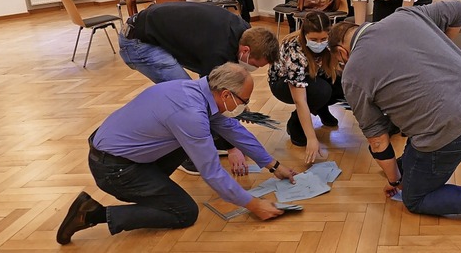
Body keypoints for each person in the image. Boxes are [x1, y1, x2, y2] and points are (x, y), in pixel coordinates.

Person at [327, 1, 461, 223]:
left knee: (415, 198)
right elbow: (459, 9)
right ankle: (414, 169)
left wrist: (394, 181)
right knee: (410, 159)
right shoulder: (405, 15)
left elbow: (378, 141)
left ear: (341, 52)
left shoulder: (353, 72)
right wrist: (444, 46)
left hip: (453, 128)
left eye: (339, 61)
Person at [56, 63, 297, 245]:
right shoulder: (190, 114)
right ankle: (92, 214)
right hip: (114, 169)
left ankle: (153, 189)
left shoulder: (194, 92)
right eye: (245, 100)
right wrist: (254, 205)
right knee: (184, 212)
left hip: (119, 154)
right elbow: (212, 172)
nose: (246, 105)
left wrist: (274, 165)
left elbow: (233, 129)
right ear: (225, 95)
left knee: (199, 138)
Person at [119, 2, 280, 175]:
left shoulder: (245, 32)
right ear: (246, 51)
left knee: (204, 101)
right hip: (137, 42)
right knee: (189, 100)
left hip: (155, 31)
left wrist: (236, 107)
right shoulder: (218, 51)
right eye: (255, 64)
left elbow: (226, 90)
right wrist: (233, 148)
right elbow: (210, 96)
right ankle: (184, 155)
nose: (253, 69)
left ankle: (212, 140)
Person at [268, 11, 344, 163]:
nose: (319, 43)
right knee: (321, 91)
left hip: (315, 76)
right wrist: (312, 138)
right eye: (314, 39)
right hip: (282, 83)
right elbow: (300, 100)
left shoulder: (333, 41)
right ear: (304, 34)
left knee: (343, 85)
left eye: (323, 39)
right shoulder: (294, 48)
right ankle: (295, 123)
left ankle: (321, 108)